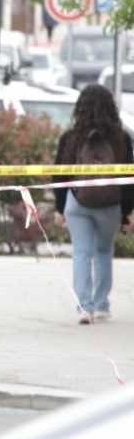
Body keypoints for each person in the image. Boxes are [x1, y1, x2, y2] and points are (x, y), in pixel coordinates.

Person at [52, 83, 134, 324]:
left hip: (77, 203)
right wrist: (127, 212)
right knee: (103, 252)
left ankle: (84, 307)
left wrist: (59, 209)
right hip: (110, 205)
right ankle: (101, 304)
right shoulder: (122, 139)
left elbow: (59, 175)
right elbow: (129, 179)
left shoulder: (71, 137)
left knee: (81, 253)